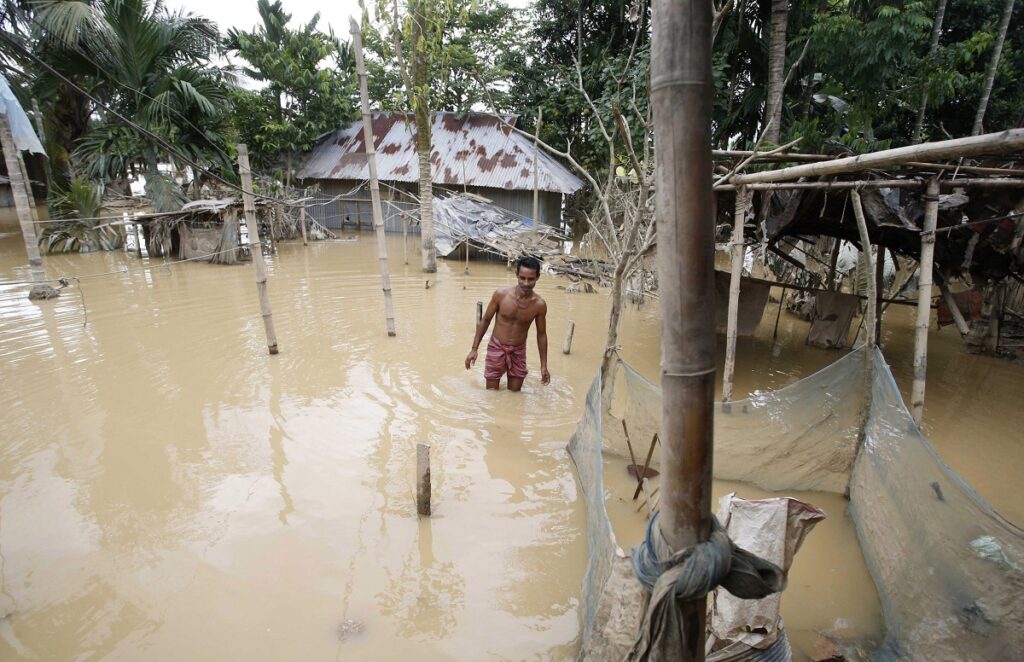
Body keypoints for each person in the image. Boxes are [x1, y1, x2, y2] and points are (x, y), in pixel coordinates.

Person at [465, 256, 550, 391]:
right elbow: (486, 320)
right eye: (522, 278)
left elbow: (541, 335)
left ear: (538, 277)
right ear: (516, 275)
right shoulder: (501, 295)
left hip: (518, 351)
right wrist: (474, 349)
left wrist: (544, 366)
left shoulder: (539, 305)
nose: (526, 283)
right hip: (496, 347)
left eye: (531, 279)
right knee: (492, 392)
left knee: (515, 393)